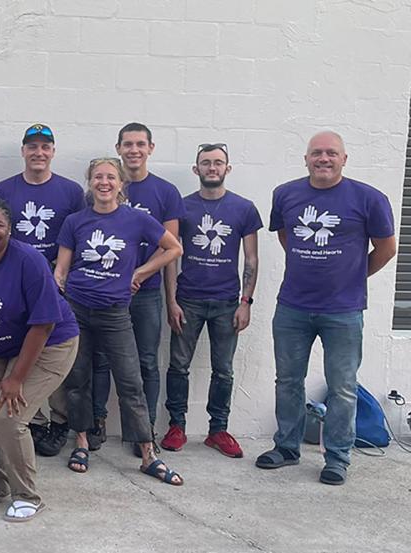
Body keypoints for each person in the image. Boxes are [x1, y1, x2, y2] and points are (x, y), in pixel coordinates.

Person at [256, 131, 395, 486]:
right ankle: (286, 448)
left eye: (331, 153)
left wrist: (352, 276)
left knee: (342, 387)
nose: (324, 159)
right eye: (316, 153)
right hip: (292, 307)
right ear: (306, 159)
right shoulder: (285, 194)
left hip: (344, 311)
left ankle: (337, 458)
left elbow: (386, 248)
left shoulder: (369, 198)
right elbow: (286, 236)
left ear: (344, 159)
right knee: (287, 381)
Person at [55, 157, 184, 486]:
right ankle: (82, 442)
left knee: (131, 382)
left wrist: (140, 272)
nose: (104, 182)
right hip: (77, 310)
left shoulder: (136, 219)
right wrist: (58, 300)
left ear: (121, 184)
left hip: (115, 312)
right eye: (98, 176)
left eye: (111, 177)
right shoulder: (75, 221)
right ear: (90, 182)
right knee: (77, 379)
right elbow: (62, 271)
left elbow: (173, 248)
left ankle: (147, 453)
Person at [0, 197, 80, 522]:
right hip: (1, 345)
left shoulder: (29, 260)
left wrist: (16, 379)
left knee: (8, 416)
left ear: (10, 229)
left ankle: (27, 495)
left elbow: (44, 323)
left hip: (50, 343)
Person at [160, 143, 262, 458]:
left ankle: (218, 430)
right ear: (197, 169)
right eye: (206, 163)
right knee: (178, 366)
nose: (212, 168)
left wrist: (245, 301)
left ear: (227, 168)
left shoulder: (244, 208)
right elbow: (171, 256)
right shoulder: (182, 207)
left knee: (224, 370)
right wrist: (172, 301)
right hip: (188, 299)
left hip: (227, 302)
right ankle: (176, 426)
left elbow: (251, 259)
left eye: (218, 163)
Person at [0, 123, 86, 457]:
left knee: (55, 354)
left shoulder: (71, 192)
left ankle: (61, 422)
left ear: (53, 152)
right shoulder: (3, 190)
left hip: (57, 286)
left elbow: (78, 236)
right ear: (23, 151)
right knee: (22, 352)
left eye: (45, 147)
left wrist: (63, 276)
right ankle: (33, 420)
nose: (38, 153)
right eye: (32, 147)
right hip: (15, 288)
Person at [88, 123, 183, 451]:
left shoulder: (165, 192)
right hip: (105, 294)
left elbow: (170, 248)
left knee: (145, 362)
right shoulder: (102, 188)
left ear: (151, 148)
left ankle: (145, 430)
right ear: (118, 148)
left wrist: (143, 277)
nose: (134, 150)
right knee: (99, 360)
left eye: (140, 144)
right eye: (127, 144)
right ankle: (96, 421)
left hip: (146, 293)